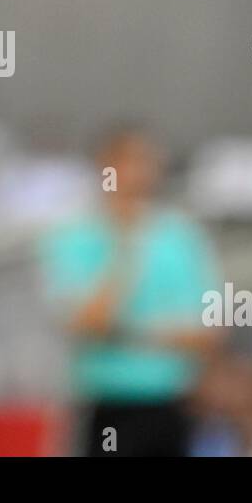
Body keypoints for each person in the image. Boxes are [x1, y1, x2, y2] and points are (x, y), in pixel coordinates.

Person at [38, 124, 222, 457]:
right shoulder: (72, 236)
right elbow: (88, 323)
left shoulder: (182, 236)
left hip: (171, 406)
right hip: (106, 405)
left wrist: (128, 334)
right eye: (127, 162)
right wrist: (124, 246)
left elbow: (207, 332)